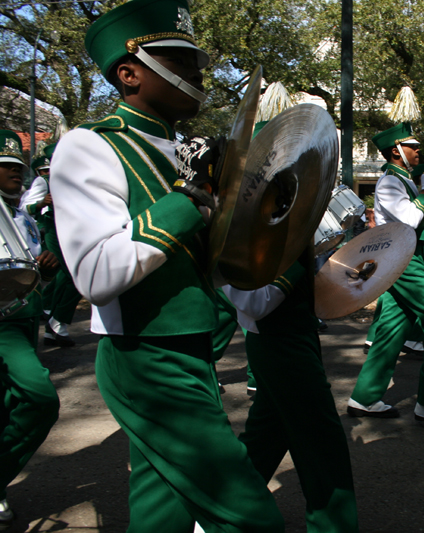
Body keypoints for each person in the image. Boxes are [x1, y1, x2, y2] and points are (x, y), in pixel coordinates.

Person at [49, 1, 284, 530]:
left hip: (193, 349)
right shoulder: (88, 146)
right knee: (250, 517)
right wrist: (188, 201)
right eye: (179, 62)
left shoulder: (181, 150)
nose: (198, 75)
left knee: (164, 514)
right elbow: (94, 275)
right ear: (130, 73)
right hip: (144, 354)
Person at [223, 254, 359, 533]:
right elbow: (255, 302)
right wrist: (299, 255)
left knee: (266, 437)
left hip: (294, 336)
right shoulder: (234, 235)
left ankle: (221, 510)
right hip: (280, 344)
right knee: (322, 445)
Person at [347, 123, 424, 424]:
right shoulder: (390, 182)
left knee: (391, 328)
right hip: (404, 258)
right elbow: (410, 217)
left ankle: (364, 397)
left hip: (405, 255)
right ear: (396, 151)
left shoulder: (403, 181)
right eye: (413, 147)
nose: (418, 151)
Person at [0, 130, 60, 528]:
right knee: (40, 398)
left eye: (18, 167)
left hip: (27, 316)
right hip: (2, 322)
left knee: (9, 403)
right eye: (5, 168)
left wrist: (45, 266)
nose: (15, 174)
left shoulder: (22, 214)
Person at [22, 143, 82, 347]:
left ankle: (53, 324)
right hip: (53, 228)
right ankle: (56, 322)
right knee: (75, 275)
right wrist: (41, 203)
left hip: (73, 228)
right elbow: (23, 208)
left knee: (66, 277)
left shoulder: (73, 179)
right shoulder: (43, 181)